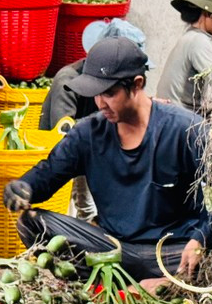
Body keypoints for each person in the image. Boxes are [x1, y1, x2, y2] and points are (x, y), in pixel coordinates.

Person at [3, 38, 212, 283]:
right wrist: (25, 187)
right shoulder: (88, 133)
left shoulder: (185, 129)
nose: (100, 103)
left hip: (171, 253)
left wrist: (201, 238)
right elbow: (49, 173)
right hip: (111, 251)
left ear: (137, 84)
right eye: (95, 95)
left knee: (211, 253)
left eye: (109, 93)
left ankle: (167, 282)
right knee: (32, 223)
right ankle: (120, 282)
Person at [41, 19, 151, 223]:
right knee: (79, 206)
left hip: (93, 147)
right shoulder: (68, 80)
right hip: (63, 150)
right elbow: (63, 133)